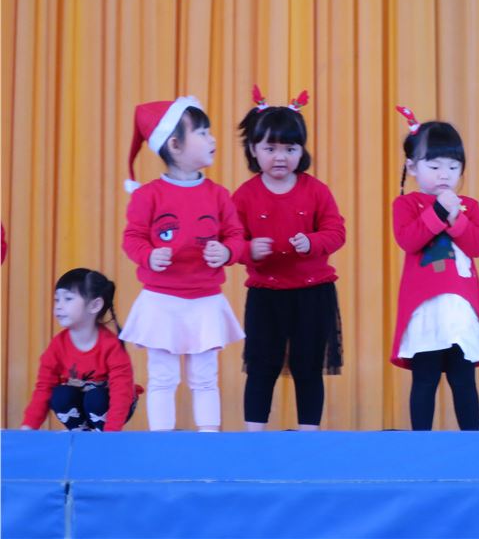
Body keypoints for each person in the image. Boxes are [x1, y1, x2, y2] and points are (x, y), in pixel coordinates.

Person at [121, 96, 245, 431]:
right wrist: (148, 255)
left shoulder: (218, 195)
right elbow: (132, 238)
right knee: (162, 377)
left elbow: (236, 236)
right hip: (162, 300)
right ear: (174, 145)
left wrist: (227, 252)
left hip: (205, 299)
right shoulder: (148, 196)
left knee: (205, 377)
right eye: (202, 133)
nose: (212, 139)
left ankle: (208, 440)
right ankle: (162, 445)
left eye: (209, 132)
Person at [233, 86, 344, 431]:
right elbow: (231, 240)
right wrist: (248, 250)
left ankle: (308, 436)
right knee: (260, 367)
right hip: (266, 294)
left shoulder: (316, 190)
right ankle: (254, 438)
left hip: (313, 294)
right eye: (270, 148)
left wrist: (312, 242)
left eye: (290, 149)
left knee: (308, 367)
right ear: (253, 149)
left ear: (301, 151)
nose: (280, 157)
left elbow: (336, 232)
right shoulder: (244, 195)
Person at [391, 106, 479, 431]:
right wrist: (437, 211)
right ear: (412, 167)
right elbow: (409, 240)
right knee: (425, 379)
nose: (444, 175)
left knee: (464, 380)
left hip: (460, 310)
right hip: (425, 310)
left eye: (453, 166)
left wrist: (456, 217)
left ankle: (473, 442)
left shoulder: (469, 206)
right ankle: (421, 443)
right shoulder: (405, 204)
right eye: (434, 166)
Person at [21, 268, 142, 431]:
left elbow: (121, 392)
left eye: (68, 299)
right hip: (82, 403)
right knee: (60, 395)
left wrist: (111, 434)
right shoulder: (57, 346)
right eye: (57, 300)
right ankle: (81, 433)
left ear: (94, 305)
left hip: (112, 405)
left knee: (96, 398)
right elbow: (44, 388)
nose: (59, 306)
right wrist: (28, 427)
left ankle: (101, 436)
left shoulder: (111, 345)